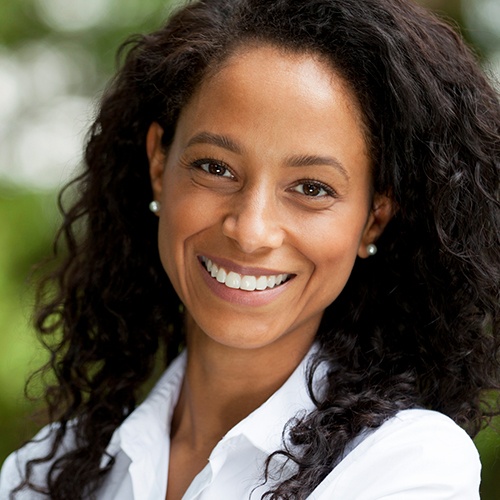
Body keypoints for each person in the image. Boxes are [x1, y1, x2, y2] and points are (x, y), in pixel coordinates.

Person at [1, 0, 499, 498]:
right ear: (159, 165)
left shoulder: (407, 464)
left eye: (311, 188)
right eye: (215, 168)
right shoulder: (43, 475)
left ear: (373, 219)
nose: (251, 230)